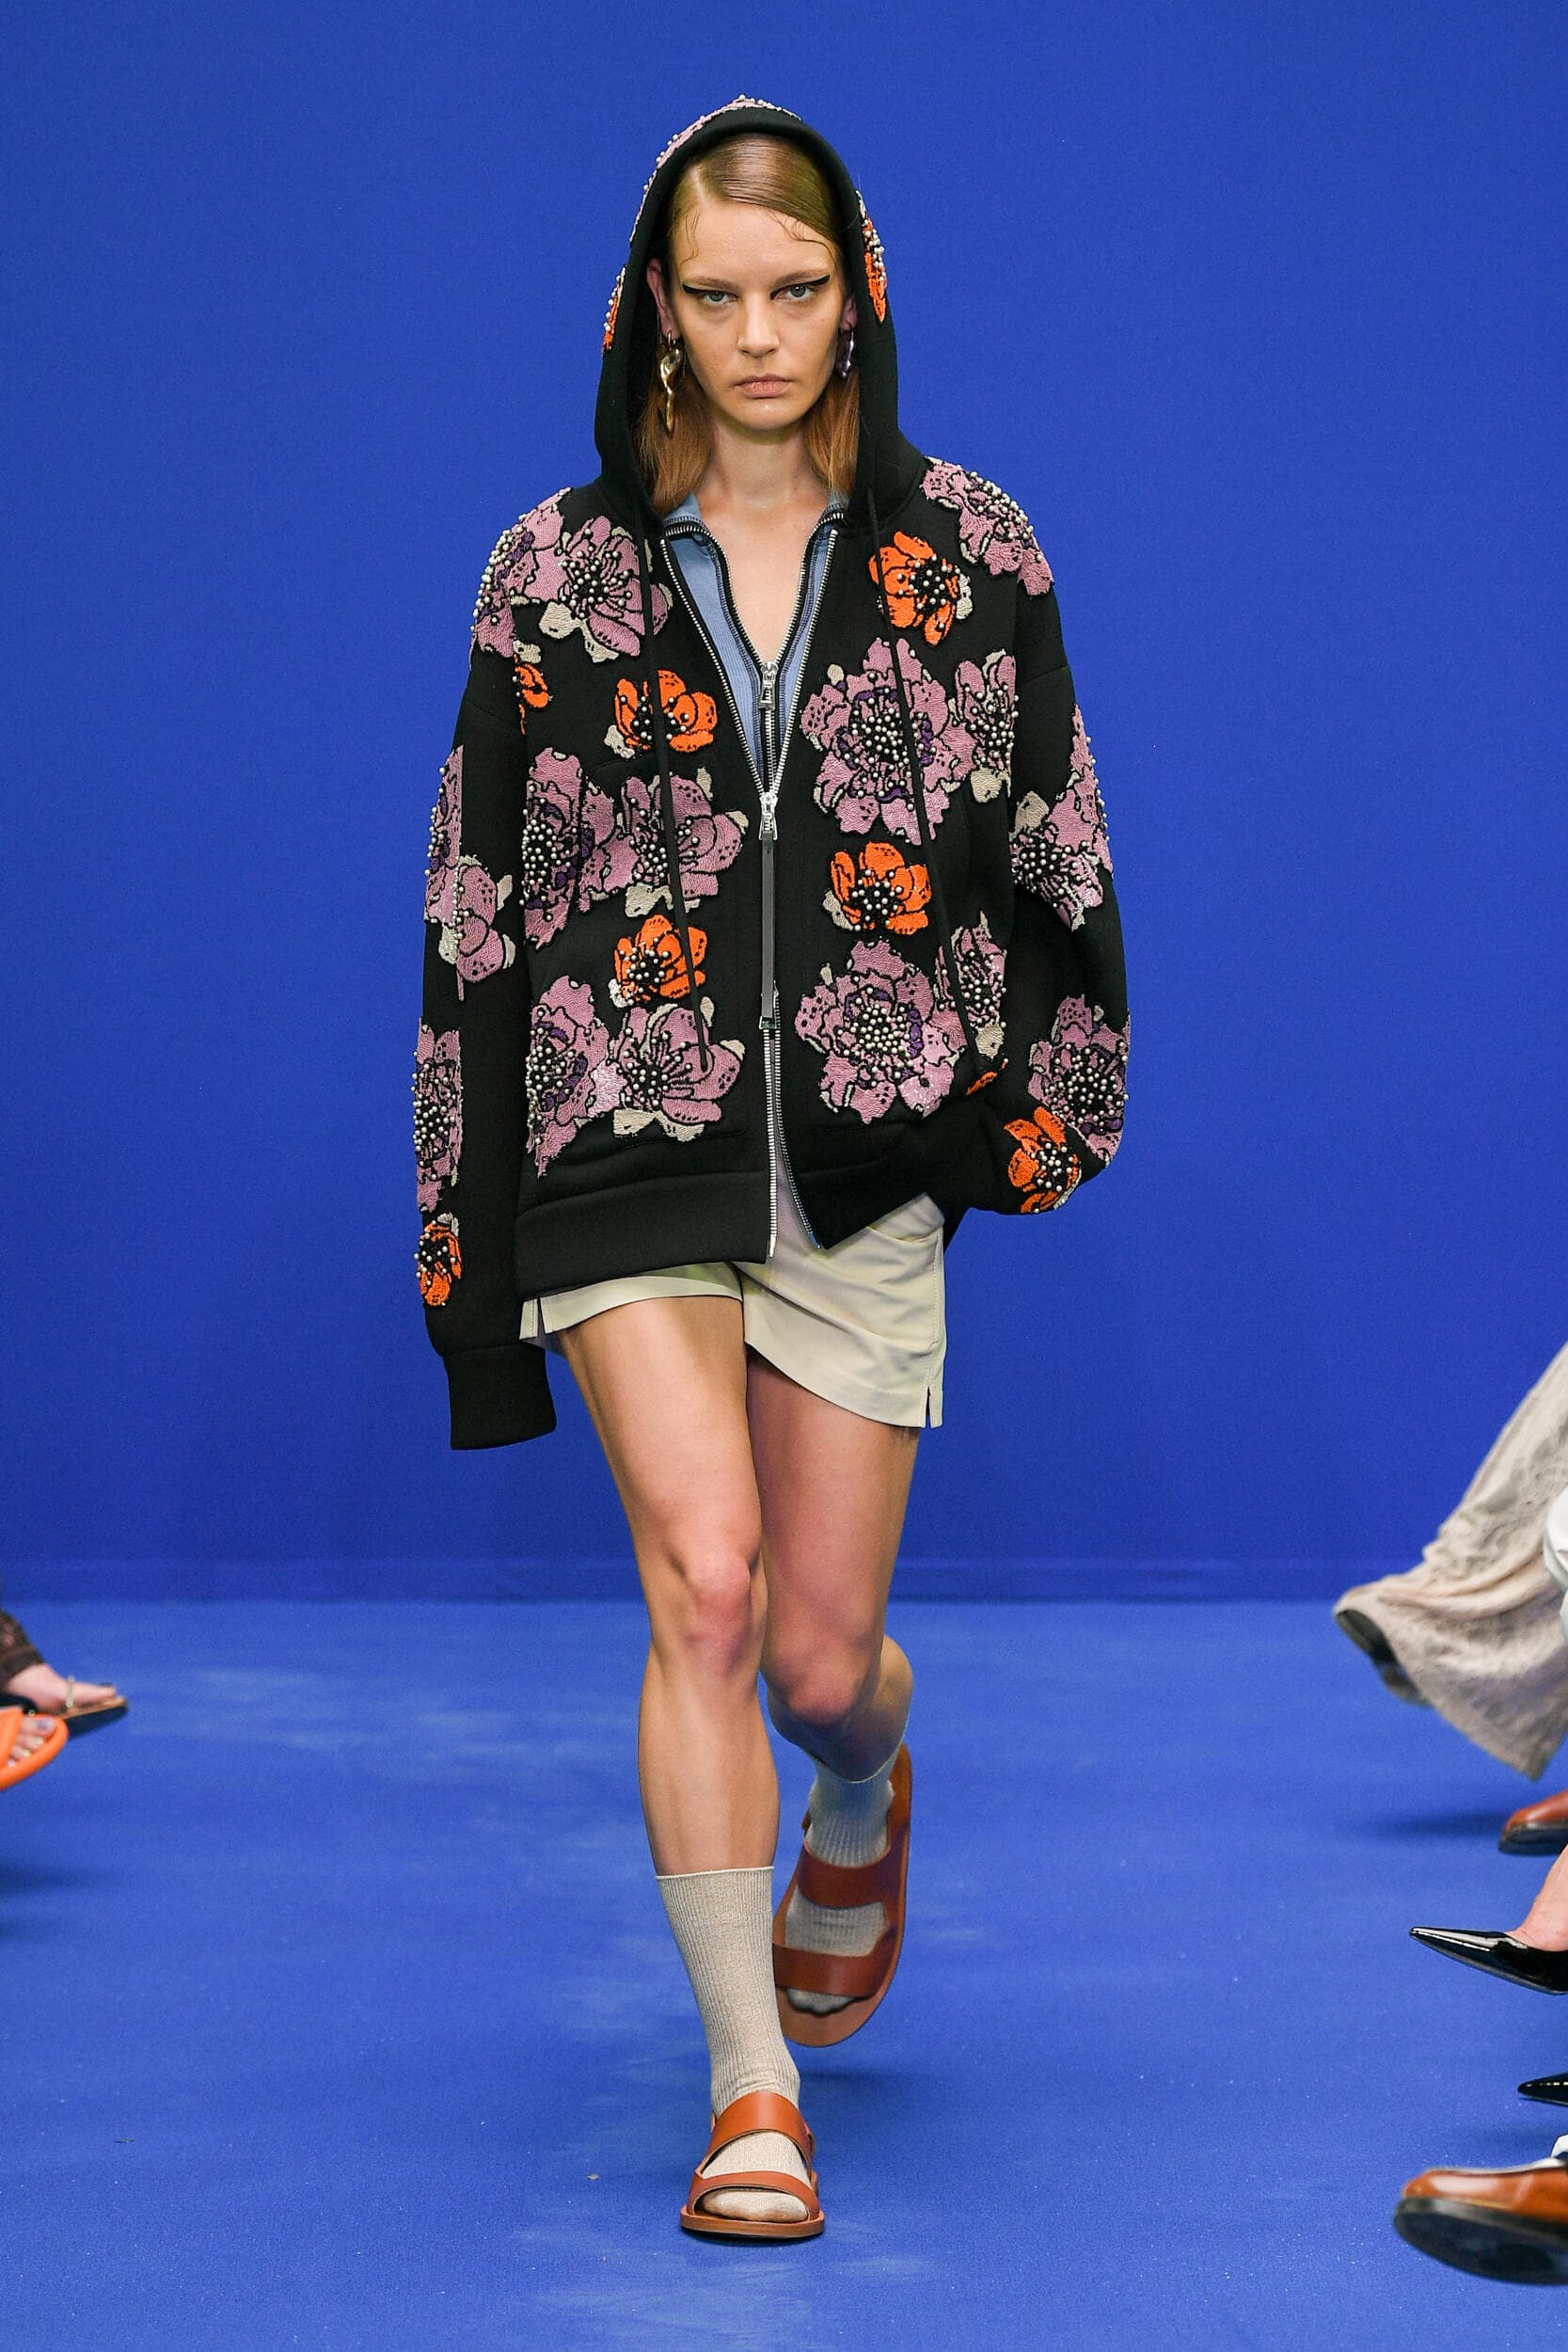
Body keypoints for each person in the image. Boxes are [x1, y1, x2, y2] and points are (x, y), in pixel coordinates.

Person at [413, 96, 1128, 2239]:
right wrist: (470, 1249)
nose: (755, 336)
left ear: (859, 290)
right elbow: (477, 914)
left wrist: (1013, 1111)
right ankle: (751, 2088)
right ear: (655, 303)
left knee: (819, 1657)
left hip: (862, 1152)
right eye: (714, 296)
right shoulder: (551, 575)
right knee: (703, 1586)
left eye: (793, 291)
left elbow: (1057, 852)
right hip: (617, 1126)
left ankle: (864, 1774)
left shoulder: (971, 555)